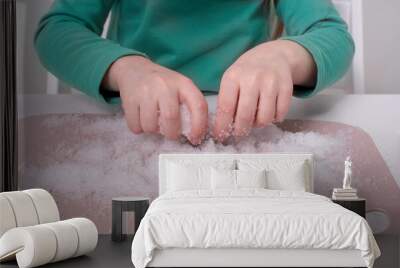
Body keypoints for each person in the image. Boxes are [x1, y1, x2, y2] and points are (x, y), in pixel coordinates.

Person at [35, 0, 354, 145]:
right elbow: (57, 31)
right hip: (136, 127)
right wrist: (124, 69)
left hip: (247, 130)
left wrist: (285, 55)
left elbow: (333, 36)